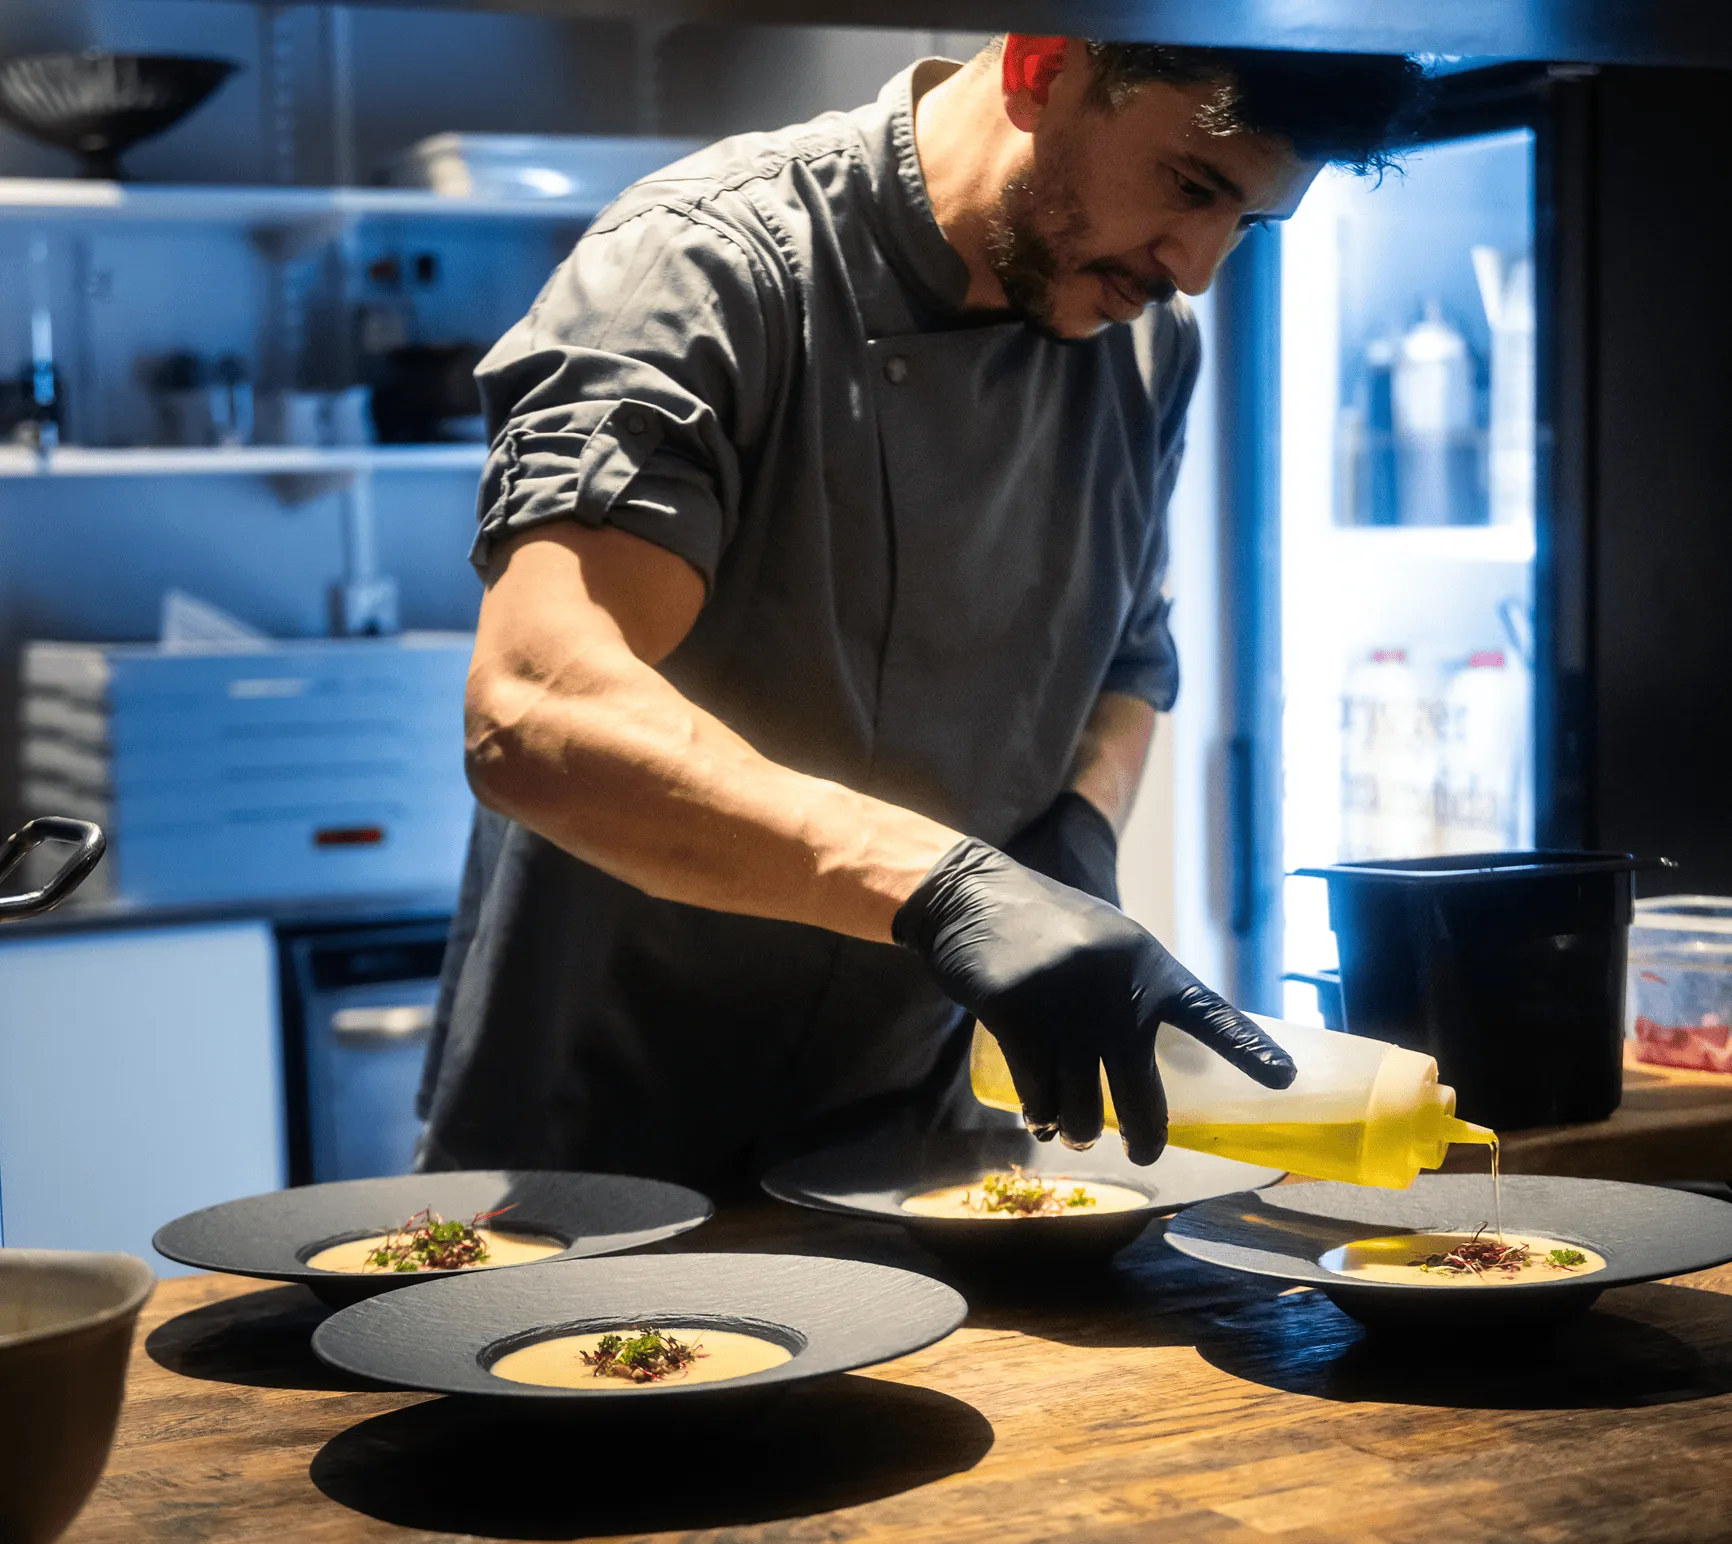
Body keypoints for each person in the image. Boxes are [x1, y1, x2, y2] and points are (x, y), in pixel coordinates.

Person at [417, 34, 1425, 1191]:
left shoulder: (1147, 345)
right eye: (1190, 187)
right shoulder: (707, 266)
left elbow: (1128, 660)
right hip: (595, 1141)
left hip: (910, 1145)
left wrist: (1075, 833)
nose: (1194, 268)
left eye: (1244, 224)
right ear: (1045, 69)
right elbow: (534, 708)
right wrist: (951, 889)